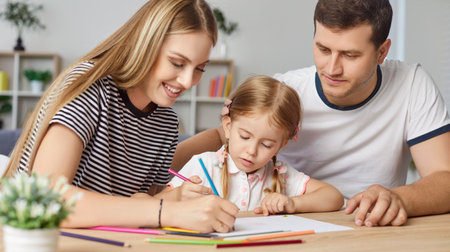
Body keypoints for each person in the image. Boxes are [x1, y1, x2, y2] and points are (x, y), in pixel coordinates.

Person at [172, 0, 450, 227]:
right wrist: (155, 167)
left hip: (369, 228)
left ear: (382, 52)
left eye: (350, 55)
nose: (332, 68)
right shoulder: (286, 92)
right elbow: (222, 136)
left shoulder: (412, 83)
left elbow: (444, 178)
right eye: (323, 49)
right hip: (292, 226)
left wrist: (400, 198)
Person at [2, 0, 239, 233]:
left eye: (200, 68)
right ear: (146, 45)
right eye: (177, 63)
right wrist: (167, 211)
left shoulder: (166, 123)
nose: (188, 81)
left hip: (100, 249)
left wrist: (171, 198)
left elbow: (137, 204)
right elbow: (47, 200)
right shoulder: (90, 87)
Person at [168, 76, 343, 215]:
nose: (251, 151)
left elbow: (333, 197)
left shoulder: (280, 174)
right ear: (228, 127)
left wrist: (292, 203)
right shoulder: (203, 165)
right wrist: (180, 198)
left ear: (282, 144)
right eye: (244, 137)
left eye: (266, 145)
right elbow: (162, 202)